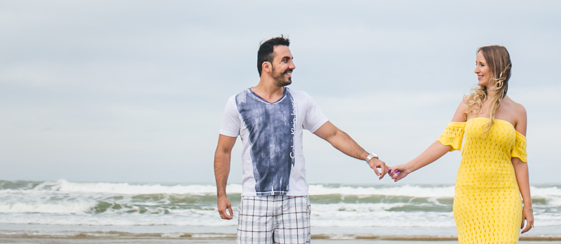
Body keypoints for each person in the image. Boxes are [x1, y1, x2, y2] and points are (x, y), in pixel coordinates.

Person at [215, 36, 389, 244]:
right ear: (266, 66)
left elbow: (333, 134)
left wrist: (368, 157)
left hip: (294, 202)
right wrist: (221, 194)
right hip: (254, 201)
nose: (293, 66)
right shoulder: (237, 103)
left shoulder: (301, 101)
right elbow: (224, 151)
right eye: (286, 60)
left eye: (291, 60)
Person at [389, 46, 534, 243]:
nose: (476, 70)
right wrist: (409, 166)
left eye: (481, 65)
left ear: (497, 67)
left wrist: (527, 206)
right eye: (476, 64)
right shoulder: (469, 103)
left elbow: (519, 161)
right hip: (470, 195)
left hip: (505, 196)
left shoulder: (518, 111)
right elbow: (445, 142)